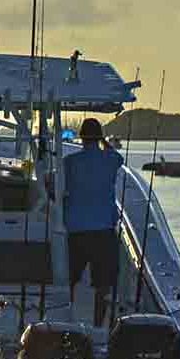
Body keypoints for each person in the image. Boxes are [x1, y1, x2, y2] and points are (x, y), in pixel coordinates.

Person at [61, 116, 122, 319]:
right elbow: (116, 156)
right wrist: (104, 141)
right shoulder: (111, 160)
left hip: (76, 230)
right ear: (99, 137)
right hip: (103, 230)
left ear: (81, 137)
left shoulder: (70, 162)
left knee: (69, 279)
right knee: (103, 284)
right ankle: (98, 322)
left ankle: (66, 317)